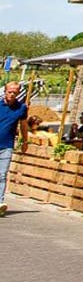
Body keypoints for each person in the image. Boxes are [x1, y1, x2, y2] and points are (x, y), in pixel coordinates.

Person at [0, 81, 29, 218]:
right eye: (9, 91)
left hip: (7, 146)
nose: (12, 94)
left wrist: (25, 140)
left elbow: (23, 125)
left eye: (15, 92)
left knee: (2, 174)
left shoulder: (21, 108)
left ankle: (0, 202)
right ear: (5, 91)